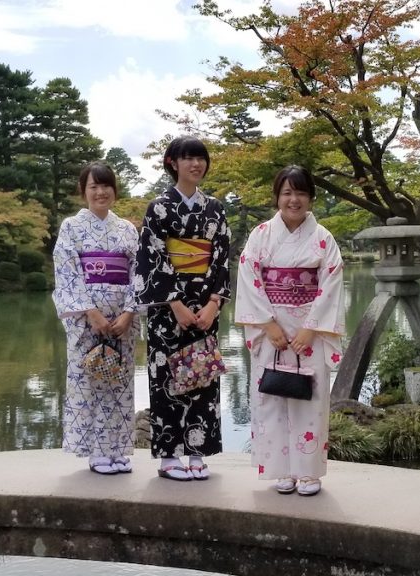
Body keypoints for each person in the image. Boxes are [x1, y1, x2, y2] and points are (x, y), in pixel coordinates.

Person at [235, 165, 345, 497]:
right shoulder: (260, 235)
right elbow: (249, 278)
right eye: (286, 192)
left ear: (310, 197)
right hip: (271, 330)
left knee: (309, 400)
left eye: (300, 192)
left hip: (308, 332)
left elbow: (331, 283)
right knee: (271, 399)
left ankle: (309, 473)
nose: (293, 199)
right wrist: (267, 325)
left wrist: (311, 329)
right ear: (277, 197)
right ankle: (281, 470)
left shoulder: (324, 239)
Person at [132, 136, 232, 481]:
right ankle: (170, 457)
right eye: (187, 158)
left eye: (200, 158)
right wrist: (174, 302)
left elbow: (221, 259)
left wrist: (214, 304)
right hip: (167, 309)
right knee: (166, 380)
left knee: (202, 376)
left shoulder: (215, 209)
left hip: (205, 307)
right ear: (172, 162)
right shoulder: (158, 208)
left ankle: (198, 453)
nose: (196, 164)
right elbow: (151, 258)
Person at [52, 161, 139, 475]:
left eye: (106, 186)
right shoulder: (71, 228)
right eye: (94, 186)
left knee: (119, 383)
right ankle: (95, 452)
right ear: (83, 191)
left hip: (121, 323)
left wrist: (129, 312)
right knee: (89, 381)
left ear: (114, 190)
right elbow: (67, 273)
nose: (101, 192)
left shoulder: (128, 229)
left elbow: (137, 274)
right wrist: (91, 312)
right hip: (87, 319)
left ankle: (117, 449)